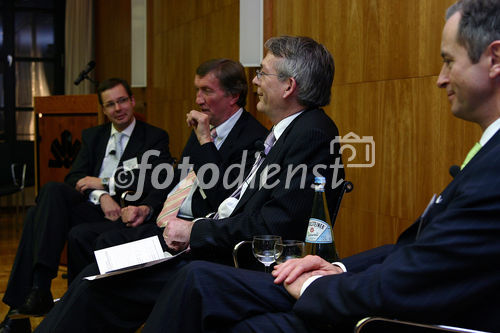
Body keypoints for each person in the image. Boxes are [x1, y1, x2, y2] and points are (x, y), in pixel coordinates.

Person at [137, 1, 500, 332]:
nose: (439, 78)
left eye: (449, 61)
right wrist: (338, 269)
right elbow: (416, 250)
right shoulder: (488, 156)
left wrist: (320, 283)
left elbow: (420, 272)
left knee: (198, 283)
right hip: (295, 266)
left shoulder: (311, 133)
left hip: (384, 308)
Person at [34, 35, 345, 332]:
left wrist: (195, 230)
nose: (255, 81)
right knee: (98, 272)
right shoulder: (289, 131)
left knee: (100, 286)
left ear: (289, 86)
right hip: (210, 242)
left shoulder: (311, 134)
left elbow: (275, 224)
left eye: (263, 73)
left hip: (230, 259)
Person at [66, 58, 268, 278]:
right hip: (165, 219)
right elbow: (177, 181)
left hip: (194, 233)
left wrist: (205, 141)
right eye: (197, 90)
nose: (198, 99)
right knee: (82, 237)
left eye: (206, 91)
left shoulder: (252, 138)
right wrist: (147, 208)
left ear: (233, 95)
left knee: (108, 245)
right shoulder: (206, 125)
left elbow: (221, 197)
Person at [0, 78, 173, 333]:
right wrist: (102, 196)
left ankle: (29, 301)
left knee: (37, 215)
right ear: (103, 110)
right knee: (52, 191)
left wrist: (104, 183)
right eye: (110, 104)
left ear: (132, 101)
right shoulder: (94, 136)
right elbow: (74, 177)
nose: (118, 108)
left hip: (127, 212)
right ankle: (40, 287)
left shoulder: (154, 137)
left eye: (122, 100)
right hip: (93, 207)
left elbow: (152, 179)